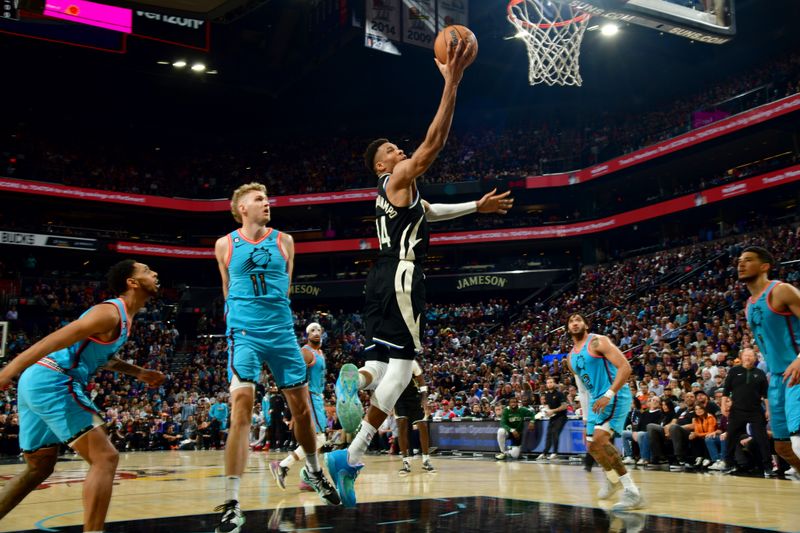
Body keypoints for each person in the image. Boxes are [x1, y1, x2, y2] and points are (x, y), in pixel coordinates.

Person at [325, 38, 506, 508]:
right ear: (382, 166)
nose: (398, 149)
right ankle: (351, 454)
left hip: (381, 279)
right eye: (390, 149)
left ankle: (358, 382)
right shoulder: (399, 175)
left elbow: (434, 212)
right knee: (404, 372)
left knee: (383, 367)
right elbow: (433, 145)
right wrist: (451, 84)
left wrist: (476, 206)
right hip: (404, 276)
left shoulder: (395, 195)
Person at [0, 260, 165, 531]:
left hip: (37, 380)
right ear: (131, 282)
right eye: (146, 271)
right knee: (106, 458)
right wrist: (9, 370)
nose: (155, 273)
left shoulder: (125, 317)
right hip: (53, 379)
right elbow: (52, 340)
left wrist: (139, 372)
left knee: (38, 468)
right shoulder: (109, 313)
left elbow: (103, 358)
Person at [214, 183, 340, 532]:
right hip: (245, 336)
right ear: (241, 208)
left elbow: (285, 287)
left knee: (301, 410)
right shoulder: (225, 244)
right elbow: (228, 292)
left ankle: (314, 472)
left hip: (282, 333)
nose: (266, 202)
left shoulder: (284, 240)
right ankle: (232, 501)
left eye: (266, 198)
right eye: (258, 199)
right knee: (241, 410)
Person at [565, 313, 644, 511]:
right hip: (594, 402)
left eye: (578, 320)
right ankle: (612, 479)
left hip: (615, 395)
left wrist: (609, 394)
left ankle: (632, 491)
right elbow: (582, 389)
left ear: (585, 324)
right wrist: (585, 418)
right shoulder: (570, 357)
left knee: (600, 439)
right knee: (591, 445)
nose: (575, 323)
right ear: (567, 328)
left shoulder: (598, 341)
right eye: (571, 321)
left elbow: (625, 367)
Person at [737, 246, 800, 475]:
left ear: (765, 266)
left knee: (797, 440)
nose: (741, 264)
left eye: (748, 260)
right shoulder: (749, 305)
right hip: (776, 377)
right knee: (782, 447)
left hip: (797, 370)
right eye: (740, 260)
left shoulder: (782, 291)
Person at [270, 322, 330, 491]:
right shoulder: (305, 352)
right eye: (312, 330)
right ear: (307, 335)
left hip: (317, 397)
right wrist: (296, 405)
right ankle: (282, 465)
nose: (316, 333)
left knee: (314, 439)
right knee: (319, 439)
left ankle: (308, 477)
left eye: (319, 330)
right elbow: (293, 374)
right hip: (309, 396)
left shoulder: (320, 352)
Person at [721, 348, 772, 476]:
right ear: (741, 357)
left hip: (755, 410)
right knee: (731, 437)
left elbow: (766, 395)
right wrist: (723, 406)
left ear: (755, 358)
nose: (748, 358)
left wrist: (768, 410)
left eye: (751, 355)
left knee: (762, 438)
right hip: (737, 410)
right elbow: (726, 391)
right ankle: (729, 464)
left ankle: (768, 466)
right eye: (746, 355)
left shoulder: (760, 373)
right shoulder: (734, 371)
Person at [395, 360, 436, 474]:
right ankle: (405, 461)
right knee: (402, 424)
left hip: (414, 397)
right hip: (398, 398)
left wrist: (424, 398)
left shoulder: (412, 363)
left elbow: (421, 381)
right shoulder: (391, 364)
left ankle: (426, 460)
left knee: (422, 425)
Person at [537, 377, 568, 461]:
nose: (549, 384)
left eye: (551, 382)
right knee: (548, 434)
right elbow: (547, 406)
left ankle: (555, 452)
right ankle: (545, 453)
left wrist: (553, 411)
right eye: (548, 383)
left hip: (561, 416)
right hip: (552, 417)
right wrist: (546, 412)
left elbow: (564, 406)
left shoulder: (560, 394)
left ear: (554, 383)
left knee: (555, 432)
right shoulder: (547, 395)